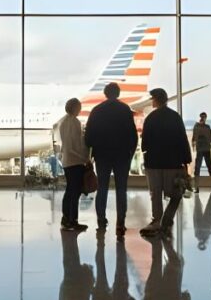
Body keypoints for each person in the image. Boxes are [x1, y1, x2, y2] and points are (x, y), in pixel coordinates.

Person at [84, 83, 137, 237]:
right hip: (121, 155)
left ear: (105, 94)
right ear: (118, 93)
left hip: (102, 155)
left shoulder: (97, 110)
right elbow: (132, 135)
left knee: (102, 188)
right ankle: (120, 222)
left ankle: (101, 219)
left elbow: (88, 137)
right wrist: (130, 152)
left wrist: (93, 151)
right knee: (121, 189)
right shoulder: (125, 109)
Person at [140, 88, 192, 239]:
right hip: (173, 162)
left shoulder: (151, 118)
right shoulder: (175, 117)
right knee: (176, 193)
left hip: (154, 163)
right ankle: (167, 220)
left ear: (155, 100)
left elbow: (145, 143)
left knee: (155, 194)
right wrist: (186, 160)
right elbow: (182, 139)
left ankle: (157, 220)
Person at [58, 98, 89, 232]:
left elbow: (66, 146)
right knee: (74, 192)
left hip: (67, 161)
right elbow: (73, 146)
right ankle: (72, 220)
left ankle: (66, 218)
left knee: (70, 191)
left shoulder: (63, 121)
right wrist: (84, 158)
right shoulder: (73, 122)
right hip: (74, 162)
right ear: (75, 108)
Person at [191, 112, 211, 191]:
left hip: (205, 148)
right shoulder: (198, 126)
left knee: (207, 166)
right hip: (202, 148)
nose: (203, 118)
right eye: (203, 117)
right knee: (199, 167)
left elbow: (210, 138)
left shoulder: (203, 126)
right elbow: (195, 136)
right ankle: (197, 186)